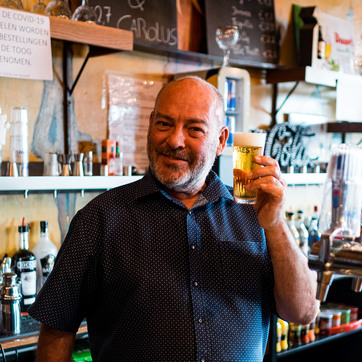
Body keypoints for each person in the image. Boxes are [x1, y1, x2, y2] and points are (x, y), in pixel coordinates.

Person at [28, 76, 319, 361]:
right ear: (151, 125)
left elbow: (302, 312)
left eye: (194, 129)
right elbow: (56, 330)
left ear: (220, 141)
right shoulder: (99, 220)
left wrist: (276, 224)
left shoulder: (254, 214)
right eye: (165, 124)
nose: (175, 140)